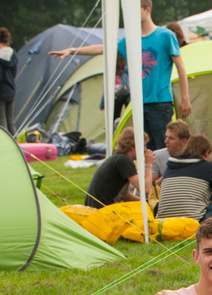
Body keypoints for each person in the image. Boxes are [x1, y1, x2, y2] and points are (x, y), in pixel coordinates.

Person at [50, 0, 192, 151]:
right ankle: (151, 176)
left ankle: (168, 175)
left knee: (164, 149)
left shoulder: (165, 36)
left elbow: (181, 68)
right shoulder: (130, 40)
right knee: (147, 151)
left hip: (161, 103)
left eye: (136, 10)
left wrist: (185, 98)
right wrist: (72, 50)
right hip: (138, 105)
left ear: (147, 9)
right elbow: (103, 48)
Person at [157, 134, 212, 220]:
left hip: (165, 221)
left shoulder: (170, 167)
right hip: (196, 220)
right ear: (206, 153)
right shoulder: (206, 167)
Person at [85, 128, 154, 208]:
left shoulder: (119, 159)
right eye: (143, 145)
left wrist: (147, 203)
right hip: (102, 211)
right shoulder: (123, 160)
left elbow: (126, 196)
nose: (145, 150)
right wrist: (149, 164)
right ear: (132, 146)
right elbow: (145, 189)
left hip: (96, 209)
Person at [151, 120, 190, 186]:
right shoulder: (157, 155)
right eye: (166, 137)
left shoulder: (194, 157)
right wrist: (168, 175)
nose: (166, 141)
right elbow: (151, 187)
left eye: (171, 138)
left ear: (184, 141)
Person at [0, 27, 17, 135]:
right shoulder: (13, 53)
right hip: (11, 90)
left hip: (1, 91)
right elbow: (14, 73)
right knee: (10, 121)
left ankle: (5, 146)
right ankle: (15, 143)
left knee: (2, 122)